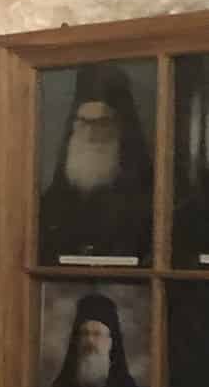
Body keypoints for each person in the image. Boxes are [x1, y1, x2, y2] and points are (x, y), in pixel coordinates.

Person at [39, 65, 153, 265]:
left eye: (102, 123)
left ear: (120, 127)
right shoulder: (52, 202)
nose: (91, 134)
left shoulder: (149, 199)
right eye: (84, 122)